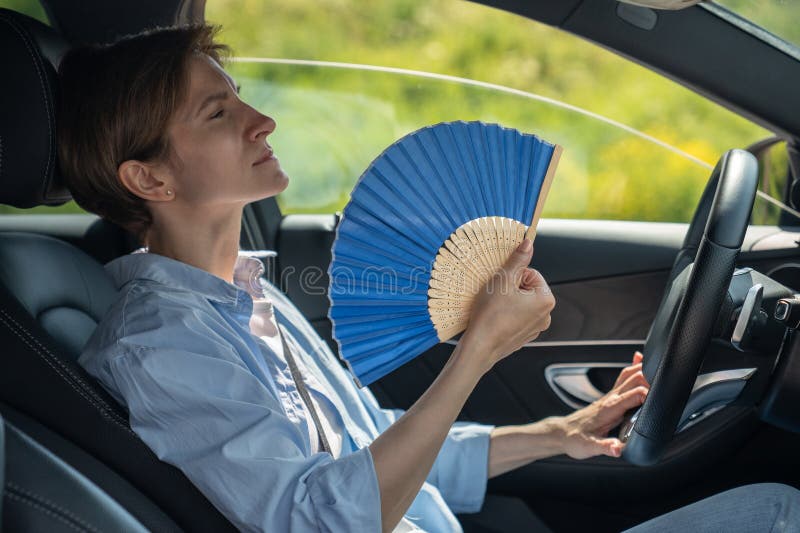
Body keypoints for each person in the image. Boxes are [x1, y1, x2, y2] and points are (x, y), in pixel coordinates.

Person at [57, 24, 799, 533]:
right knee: (773, 513)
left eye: (240, 96)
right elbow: (326, 518)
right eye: (220, 112)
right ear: (148, 176)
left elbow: (371, 443)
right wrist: (477, 351)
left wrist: (552, 434)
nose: (262, 121)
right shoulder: (162, 347)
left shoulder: (246, 293)